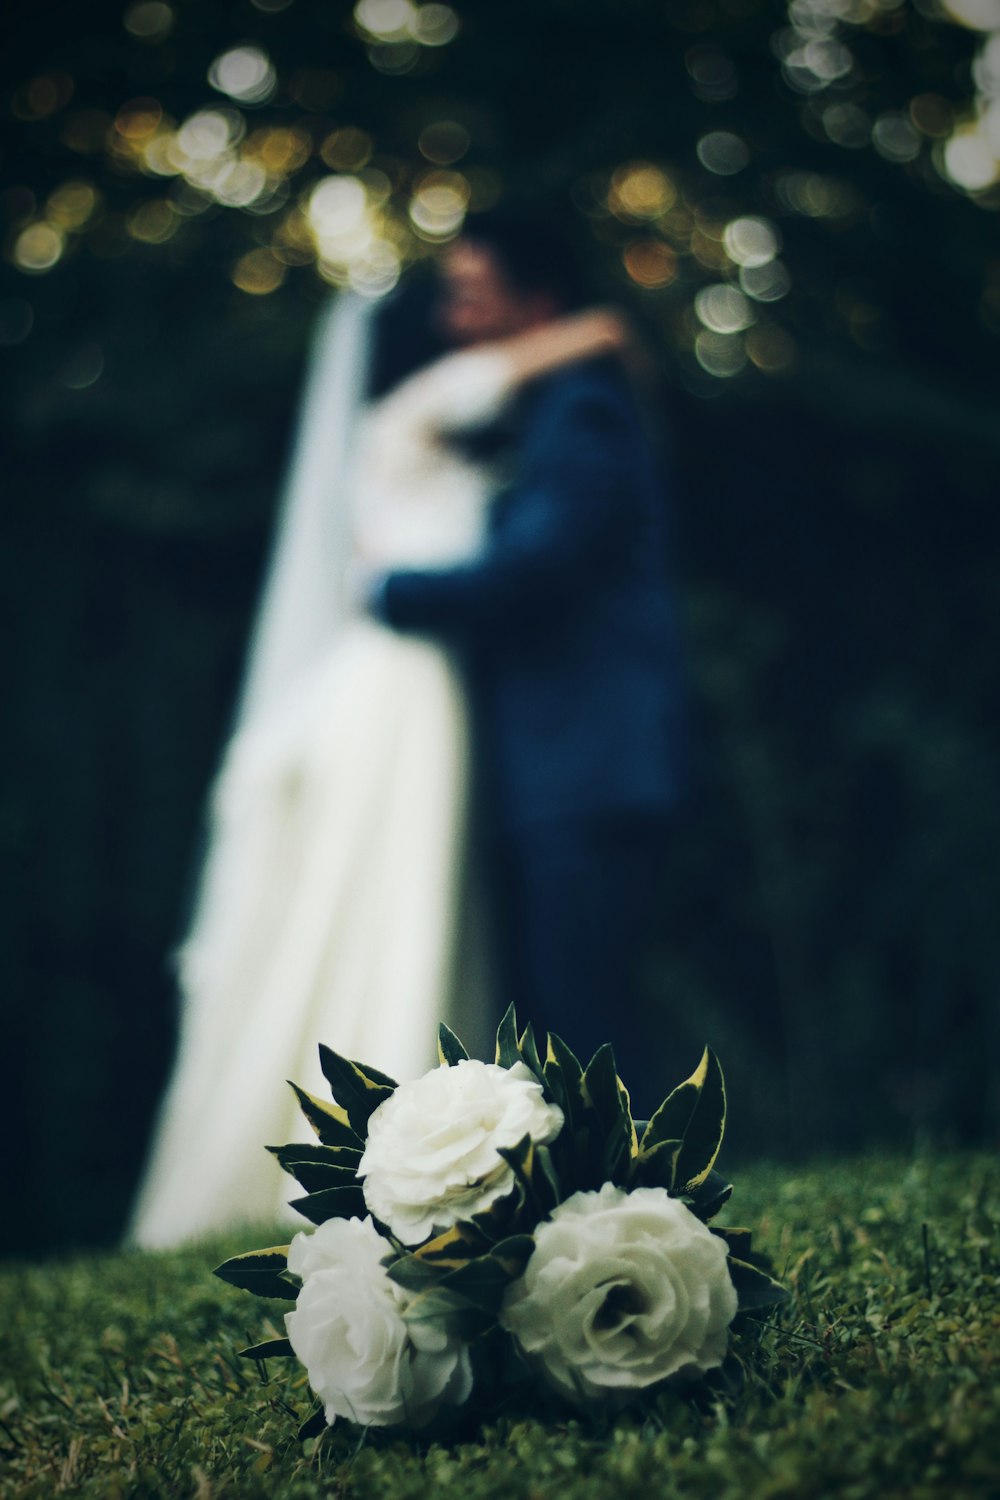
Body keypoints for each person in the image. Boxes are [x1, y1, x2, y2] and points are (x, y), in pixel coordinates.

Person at [128, 280, 630, 1247]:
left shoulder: (391, 432)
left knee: (380, 891)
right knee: (401, 888)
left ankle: (396, 1141)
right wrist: (605, 330)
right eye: (451, 308)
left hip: (398, 675)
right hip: (408, 688)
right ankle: (389, 1134)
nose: (465, 318)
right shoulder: (425, 403)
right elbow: (592, 332)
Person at [372, 213, 688, 1117]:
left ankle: (645, 1220)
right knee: (564, 1012)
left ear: (538, 300)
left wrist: (389, 593)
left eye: (473, 295)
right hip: (557, 763)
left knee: (588, 1017)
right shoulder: (534, 413)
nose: (454, 320)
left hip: (590, 760)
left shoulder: (581, 407)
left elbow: (538, 571)